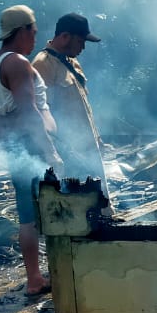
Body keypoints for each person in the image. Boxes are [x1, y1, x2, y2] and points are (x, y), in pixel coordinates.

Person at [0, 5, 63, 297]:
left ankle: (36, 276)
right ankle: (39, 277)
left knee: (28, 214)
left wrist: (7, 146)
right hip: (31, 147)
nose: (35, 37)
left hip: (17, 147)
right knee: (50, 209)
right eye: (33, 31)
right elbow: (30, 112)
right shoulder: (17, 63)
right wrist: (50, 151)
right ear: (22, 31)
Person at [32, 13, 106, 186]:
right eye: (80, 41)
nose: (83, 47)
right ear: (65, 37)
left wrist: (97, 139)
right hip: (70, 156)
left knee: (100, 204)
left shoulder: (72, 63)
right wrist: (57, 154)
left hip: (89, 152)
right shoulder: (42, 65)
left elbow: (83, 108)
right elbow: (41, 114)